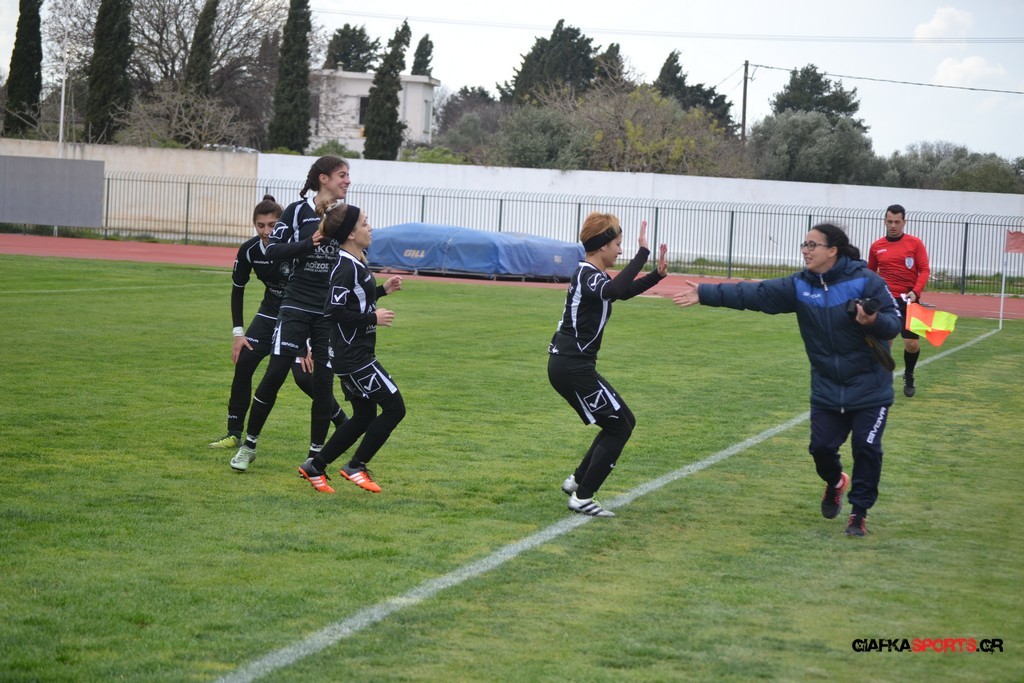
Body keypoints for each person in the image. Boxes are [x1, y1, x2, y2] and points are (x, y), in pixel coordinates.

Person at [673, 223, 901, 536]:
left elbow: (894, 323)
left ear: (833, 251)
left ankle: (858, 513)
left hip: (869, 387)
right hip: (827, 387)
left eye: (812, 245)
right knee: (820, 449)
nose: (805, 251)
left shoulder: (866, 281)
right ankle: (836, 481)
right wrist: (706, 293)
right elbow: (755, 293)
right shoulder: (800, 285)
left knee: (867, 448)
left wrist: (872, 320)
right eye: (804, 245)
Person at [230, 156, 353, 472]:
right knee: (274, 375)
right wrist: (308, 243)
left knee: (322, 384)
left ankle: (314, 457)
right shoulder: (297, 212)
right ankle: (248, 446)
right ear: (323, 178)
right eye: (342, 175)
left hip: (327, 313)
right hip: (295, 306)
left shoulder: (345, 216)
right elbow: (273, 250)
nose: (347, 180)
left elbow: (355, 259)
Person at [548, 213, 667, 517]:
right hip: (572, 367)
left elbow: (620, 292)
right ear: (602, 246)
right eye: (617, 244)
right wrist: (643, 253)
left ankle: (578, 481)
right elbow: (614, 291)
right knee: (618, 427)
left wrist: (656, 275)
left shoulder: (593, 276)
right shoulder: (587, 274)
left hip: (573, 366)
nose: (620, 250)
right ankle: (583, 497)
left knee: (623, 421)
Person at [297, 201, 405, 494]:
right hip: (354, 356)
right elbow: (332, 311)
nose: (370, 228)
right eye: (364, 223)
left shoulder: (356, 262)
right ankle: (356, 466)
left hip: (352, 354)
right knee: (395, 408)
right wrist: (372, 318)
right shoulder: (345, 267)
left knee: (364, 416)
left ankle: (315, 467)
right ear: (350, 234)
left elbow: (355, 300)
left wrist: (382, 290)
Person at [868, 204, 931, 397]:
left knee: (911, 344)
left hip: (909, 300)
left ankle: (909, 373)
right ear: (885, 222)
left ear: (904, 222)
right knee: (885, 342)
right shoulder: (877, 246)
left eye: (897, 222)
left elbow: (925, 270)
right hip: (886, 301)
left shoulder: (915, 243)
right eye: (890, 222)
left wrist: (915, 291)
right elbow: (870, 273)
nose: (893, 225)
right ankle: (881, 380)